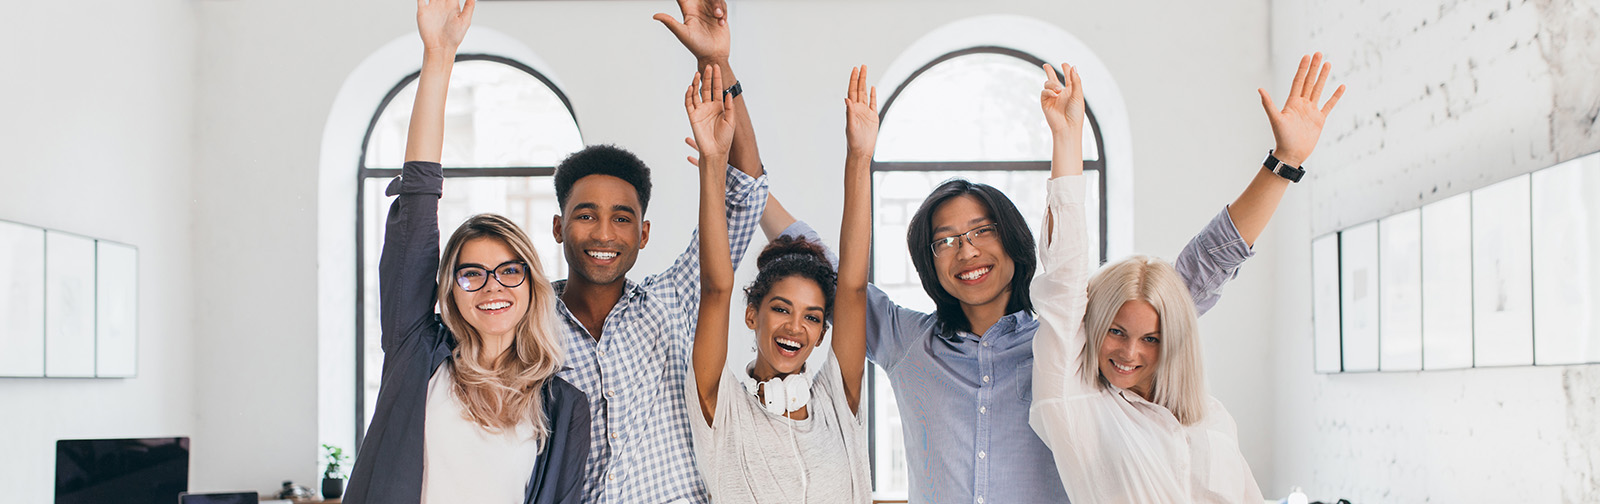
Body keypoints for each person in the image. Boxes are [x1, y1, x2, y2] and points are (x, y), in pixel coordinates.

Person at [760, 64, 1307, 504]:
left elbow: (1193, 275)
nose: (966, 251)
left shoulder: (1071, 341)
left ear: (1014, 241)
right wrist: (747, 182)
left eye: (982, 231)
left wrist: (1283, 164)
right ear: (929, 261)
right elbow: (825, 270)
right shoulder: (908, 342)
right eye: (945, 240)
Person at [1028, 54, 1345, 503]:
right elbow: (1064, 279)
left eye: (1151, 339)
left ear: (1174, 338)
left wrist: (1288, 158)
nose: (1130, 352)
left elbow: (1210, 263)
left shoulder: (1210, 418)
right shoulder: (1077, 403)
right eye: (1116, 331)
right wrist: (1067, 139)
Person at [343, 1, 590, 502]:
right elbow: (417, 208)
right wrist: (438, 57)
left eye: (508, 271)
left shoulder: (563, 406)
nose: (491, 287)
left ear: (532, 284)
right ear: (450, 291)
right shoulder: (419, 355)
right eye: (471, 274)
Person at [550, 2, 768, 501]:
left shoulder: (674, 300)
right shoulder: (525, 322)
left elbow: (745, 194)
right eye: (586, 215)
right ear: (559, 227)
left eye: (622, 218)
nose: (604, 234)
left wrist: (716, 61)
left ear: (643, 234)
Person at [684, 65, 876, 503]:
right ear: (752, 314)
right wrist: (713, 164)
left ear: (823, 333)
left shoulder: (836, 401)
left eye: (812, 317)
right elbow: (716, 288)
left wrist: (860, 157)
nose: (795, 327)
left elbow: (852, 288)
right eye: (781, 308)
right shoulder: (722, 408)